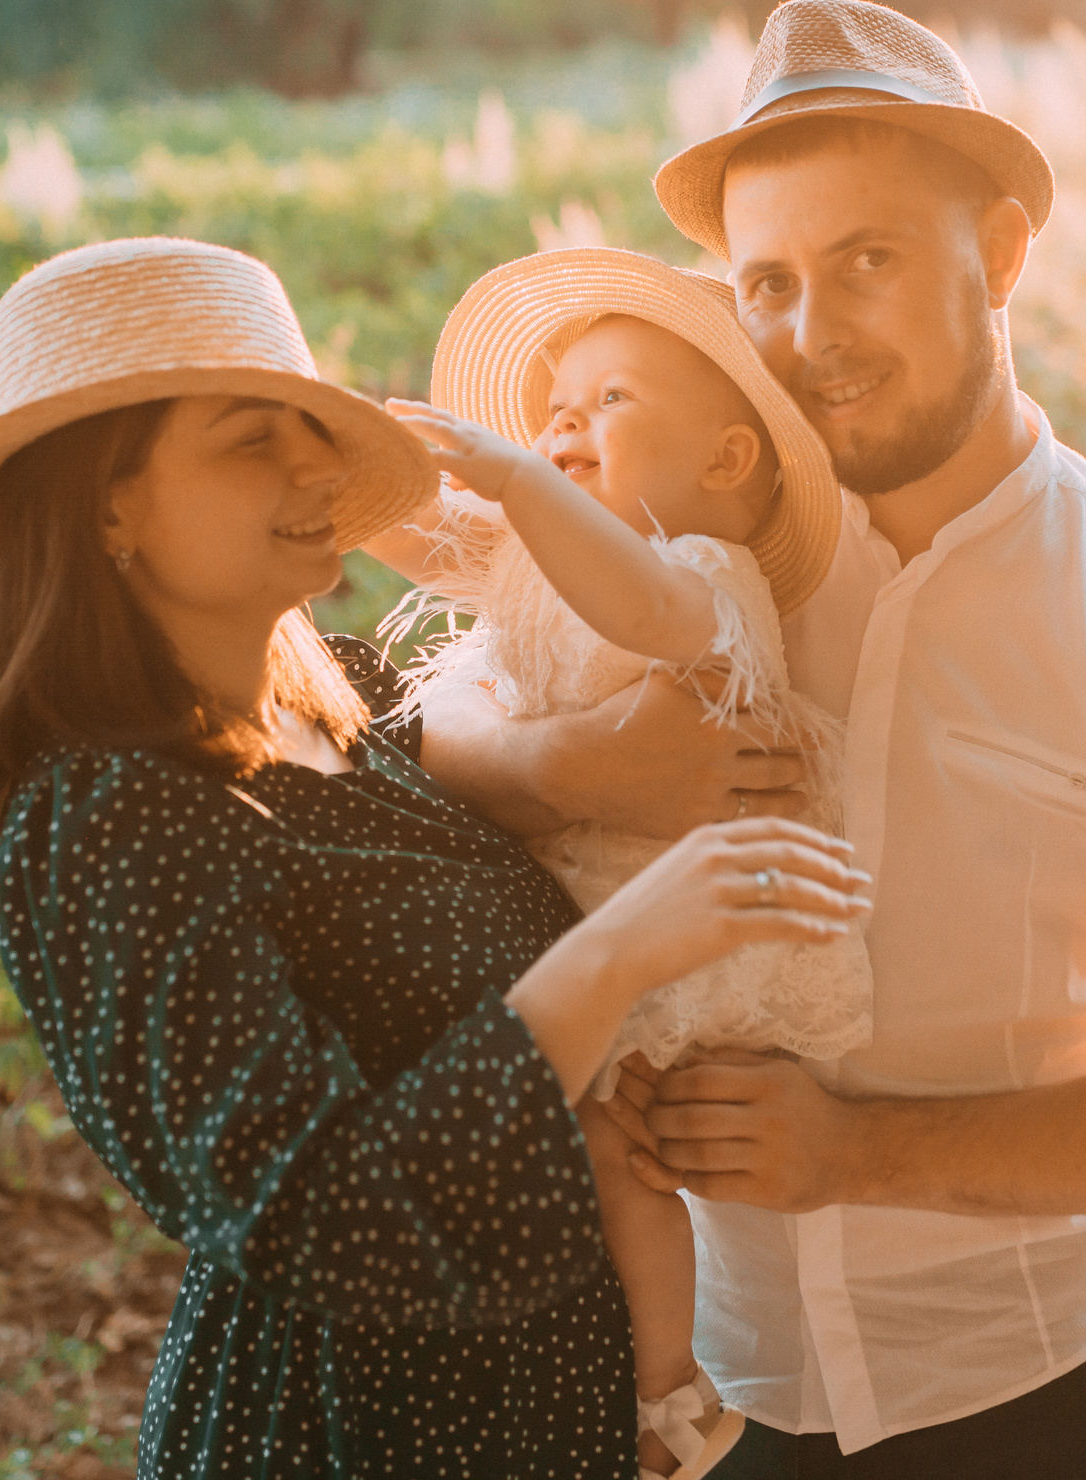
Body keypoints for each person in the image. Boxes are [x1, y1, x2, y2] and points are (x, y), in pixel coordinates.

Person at [421, 0, 1086, 1478]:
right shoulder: (711, 543)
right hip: (715, 1395)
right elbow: (451, 703)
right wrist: (570, 771)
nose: (811, 334)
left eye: (868, 263)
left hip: (1027, 1396)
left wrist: (858, 1156)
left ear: (1005, 253)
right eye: (766, 282)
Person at [0, 235, 873, 1480]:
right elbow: (318, 1211)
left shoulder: (351, 700)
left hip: (547, 1414)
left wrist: (582, 768)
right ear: (106, 504)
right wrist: (622, 949)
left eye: (314, 427)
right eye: (253, 439)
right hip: (354, 1436)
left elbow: (477, 719)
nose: (320, 466)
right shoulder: (108, 822)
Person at [366, 247, 869, 1480]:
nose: (562, 425)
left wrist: (522, 484)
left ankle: (663, 1392)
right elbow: (440, 552)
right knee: (590, 1137)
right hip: (590, 910)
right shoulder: (555, 557)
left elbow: (629, 607)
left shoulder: (702, 576)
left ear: (725, 459)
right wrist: (350, 475)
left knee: (615, 1142)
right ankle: (624, 1368)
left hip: (681, 931)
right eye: (556, 406)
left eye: (609, 403)